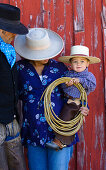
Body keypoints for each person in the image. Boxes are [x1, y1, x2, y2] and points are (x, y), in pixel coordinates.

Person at [14, 28, 89, 170]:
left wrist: (83, 107)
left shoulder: (59, 68)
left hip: (60, 132)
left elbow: (74, 91)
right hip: (34, 131)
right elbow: (12, 94)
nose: (47, 56)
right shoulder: (20, 69)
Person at [46, 45, 101, 150]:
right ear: (71, 63)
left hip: (77, 103)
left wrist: (79, 81)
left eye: (82, 61)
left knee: (66, 118)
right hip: (68, 101)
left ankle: (59, 141)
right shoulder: (68, 74)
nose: (78, 64)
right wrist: (66, 83)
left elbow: (92, 85)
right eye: (75, 62)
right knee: (63, 119)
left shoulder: (88, 76)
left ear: (87, 63)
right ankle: (61, 141)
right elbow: (61, 85)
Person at [0, 3, 28, 170]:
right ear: (2, 30)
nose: (14, 36)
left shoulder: (8, 51)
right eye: (12, 31)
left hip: (11, 118)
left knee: (18, 164)